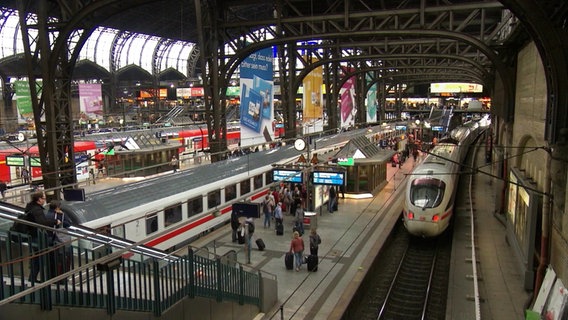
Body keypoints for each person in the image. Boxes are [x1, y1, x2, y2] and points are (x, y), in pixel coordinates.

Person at [25, 192, 61, 283]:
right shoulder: (37, 210)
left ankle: (33, 277)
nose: (45, 200)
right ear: (39, 199)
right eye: (44, 198)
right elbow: (42, 222)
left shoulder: (30, 207)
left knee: (38, 257)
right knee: (39, 257)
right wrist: (55, 222)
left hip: (33, 235)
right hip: (37, 236)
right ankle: (36, 278)